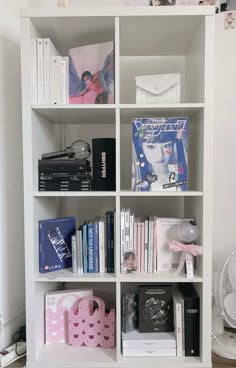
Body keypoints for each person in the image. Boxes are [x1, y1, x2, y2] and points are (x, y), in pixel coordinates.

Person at [132, 119, 188, 192]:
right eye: (151, 147)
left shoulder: (179, 176)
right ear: (141, 146)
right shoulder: (137, 178)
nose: (160, 155)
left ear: (173, 145)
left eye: (167, 145)